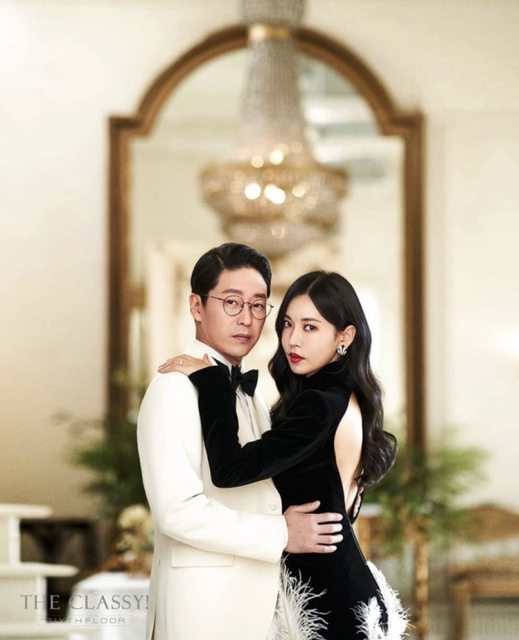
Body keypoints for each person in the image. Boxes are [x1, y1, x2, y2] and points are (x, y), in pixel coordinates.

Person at [161, 270, 408, 639]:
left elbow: (229, 469)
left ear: (345, 336)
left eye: (310, 327)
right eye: (288, 324)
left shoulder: (320, 404)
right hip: (335, 592)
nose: (293, 339)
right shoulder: (343, 395)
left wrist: (211, 383)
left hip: (329, 606)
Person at [137, 245, 344, 640]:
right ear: (196, 306)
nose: (247, 319)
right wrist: (282, 533)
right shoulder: (173, 389)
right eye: (231, 302)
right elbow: (176, 512)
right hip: (203, 611)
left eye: (258, 305)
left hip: (257, 608)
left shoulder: (251, 395)